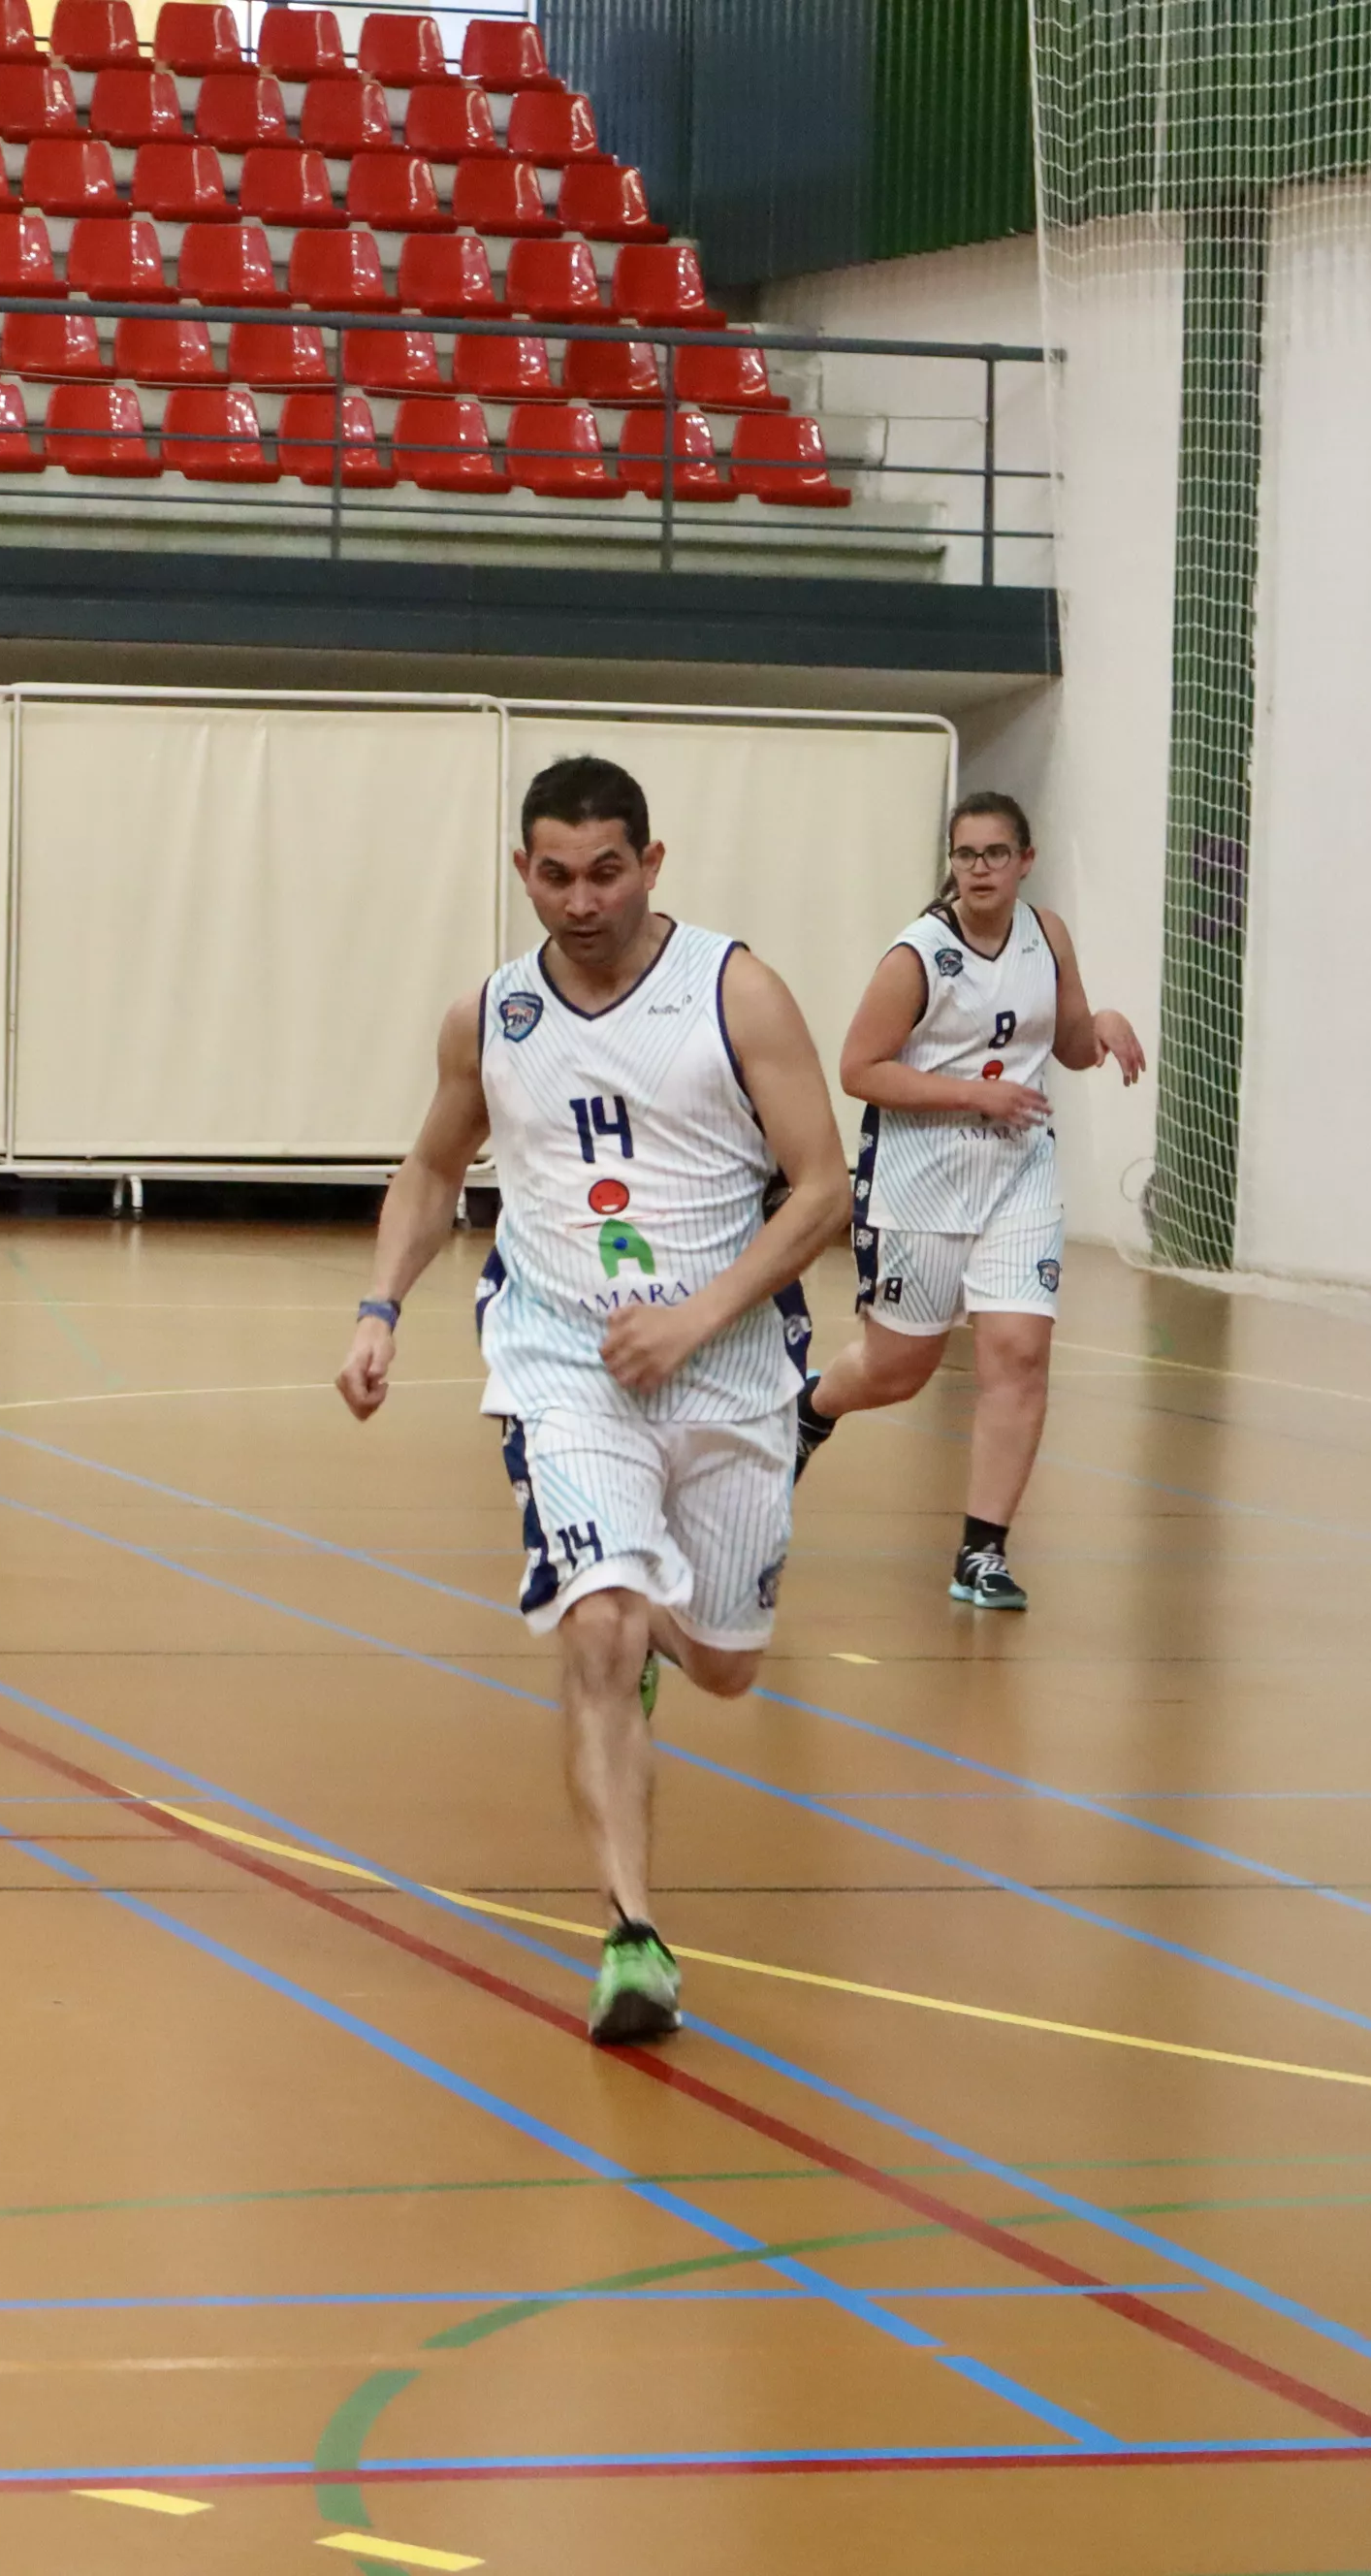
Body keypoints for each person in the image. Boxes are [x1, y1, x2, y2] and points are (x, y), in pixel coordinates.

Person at [336, 755, 845, 2046]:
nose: (580, 899)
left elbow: (823, 1190)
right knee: (600, 1629)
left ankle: (668, 1627)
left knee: (725, 1667)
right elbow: (435, 1163)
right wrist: (379, 1309)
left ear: (652, 864)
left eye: (606, 871)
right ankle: (632, 1939)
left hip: (724, 1360)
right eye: (554, 875)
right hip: (563, 1356)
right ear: (524, 872)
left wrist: (695, 1318)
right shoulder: (491, 1017)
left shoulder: (735, 993)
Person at [793, 792, 1146, 1610]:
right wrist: (968, 1097)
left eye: (995, 854)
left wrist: (1106, 1025)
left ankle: (981, 1553)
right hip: (921, 1179)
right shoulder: (917, 957)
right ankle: (807, 1412)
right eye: (965, 855)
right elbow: (859, 1069)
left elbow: (1067, 1041)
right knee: (898, 1369)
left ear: (1025, 860)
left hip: (1019, 1176)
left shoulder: (1047, 933)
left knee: (1019, 1355)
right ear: (951, 865)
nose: (979, 869)